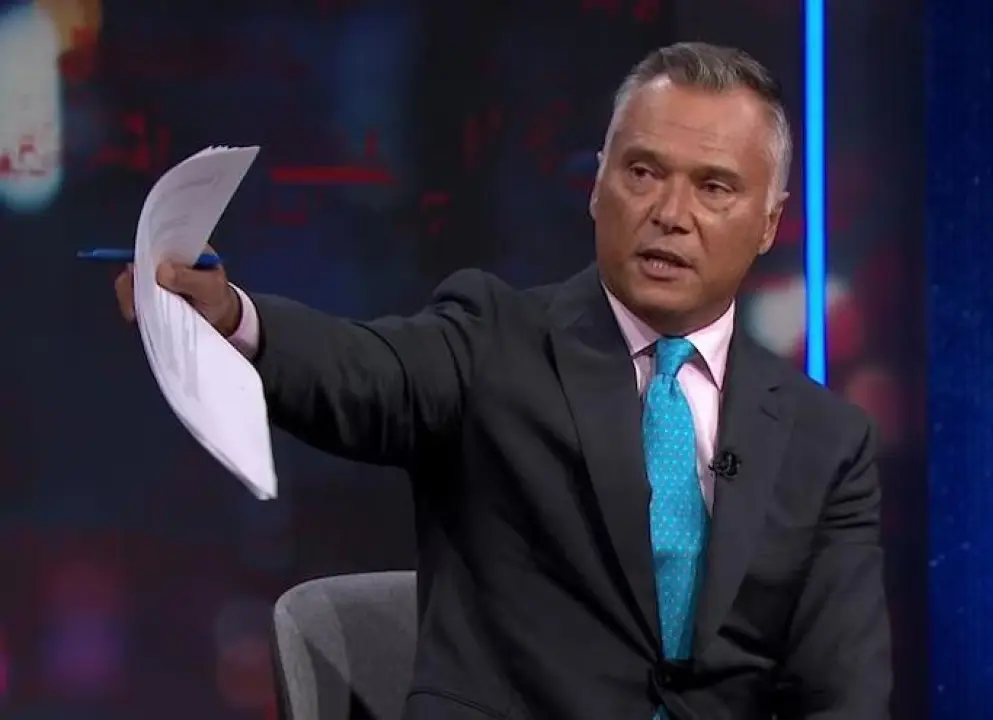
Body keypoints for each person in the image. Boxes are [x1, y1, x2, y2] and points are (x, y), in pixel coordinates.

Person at [115, 42, 891, 719]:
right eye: (643, 172)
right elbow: (359, 371)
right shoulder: (493, 341)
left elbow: (845, 693)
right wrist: (235, 317)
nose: (670, 212)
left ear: (769, 221)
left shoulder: (827, 443)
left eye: (714, 187)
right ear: (598, 185)